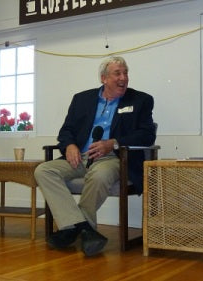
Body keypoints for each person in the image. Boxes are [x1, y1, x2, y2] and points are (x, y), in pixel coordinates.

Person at [34, 56, 156, 256]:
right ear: (103, 78)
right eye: (117, 73)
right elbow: (66, 131)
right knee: (44, 171)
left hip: (114, 158)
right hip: (79, 157)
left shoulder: (140, 100)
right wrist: (70, 145)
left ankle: (71, 228)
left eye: (125, 73)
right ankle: (84, 229)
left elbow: (147, 134)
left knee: (99, 176)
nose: (123, 78)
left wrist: (113, 143)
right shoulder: (82, 99)